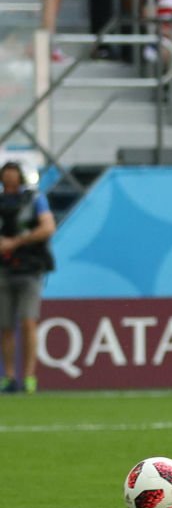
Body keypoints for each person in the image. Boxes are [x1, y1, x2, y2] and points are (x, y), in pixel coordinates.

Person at [0, 162, 55, 395]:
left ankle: (29, 377)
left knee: (28, 322)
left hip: (30, 269)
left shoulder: (34, 200)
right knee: (5, 326)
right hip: (3, 270)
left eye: (14, 176)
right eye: (6, 176)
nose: (10, 180)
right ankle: (9, 377)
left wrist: (17, 242)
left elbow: (48, 227)